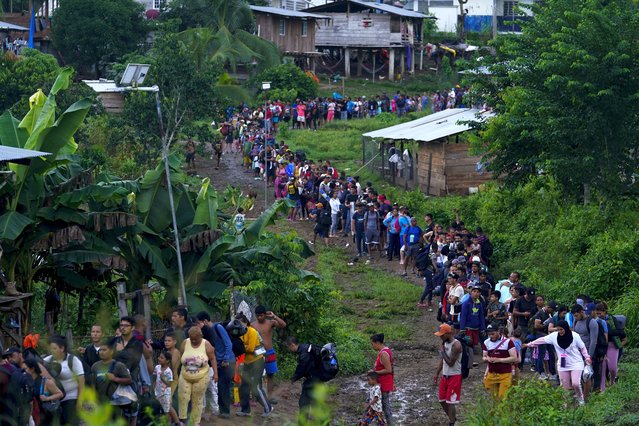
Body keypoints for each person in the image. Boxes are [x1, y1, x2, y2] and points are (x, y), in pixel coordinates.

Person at [524, 320, 592, 405]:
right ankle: (565, 403)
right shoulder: (554, 336)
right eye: (558, 329)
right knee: (564, 386)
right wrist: (529, 344)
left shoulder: (575, 336)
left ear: (566, 328)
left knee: (575, 383)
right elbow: (542, 340)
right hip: (563, 364)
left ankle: (581, 400)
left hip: (576, 363)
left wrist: (587, 357)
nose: (560, 332)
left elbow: (582, 347)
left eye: (561, 330)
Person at [92, 338, 138, 426]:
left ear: (111, 351)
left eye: (104, 350)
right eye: (100, 350)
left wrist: (115, 379)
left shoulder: (119, 366)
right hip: (101, 402)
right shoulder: (95, 366)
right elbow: (93, 384)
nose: (101, 352)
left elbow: (129, 380)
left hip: (116, 402)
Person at [235, 312, 273, 417]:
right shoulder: (239, 333)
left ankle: (268, 408)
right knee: (244, 386)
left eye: (240, 323)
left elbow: (250, 349)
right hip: (247, 362)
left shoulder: (252, 332)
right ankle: (245, 409)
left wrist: (240, 347)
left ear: (245, 322)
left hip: (257, 361)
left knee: (256, 387)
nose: (238, 325)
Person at [179, 327, 218, 425]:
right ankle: (182, 420)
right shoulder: (185, 343)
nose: (193, 340)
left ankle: (196, 421)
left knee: (197, 398)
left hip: (201, 376)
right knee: (183, 396)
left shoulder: (206, 344)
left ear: (201, 336)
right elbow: (180, 355)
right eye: (191, 338)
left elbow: (213, 359)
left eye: (195, 338)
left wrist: (216, 374)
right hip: (185, 374)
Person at [43, 335, 85, 426]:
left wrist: (80, 401)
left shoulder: (73, 360)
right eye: (50, 348)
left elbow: (81, 381)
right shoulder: (47, 360)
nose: (51, 351)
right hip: (54, 399)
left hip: (71, 397)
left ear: (62, 348)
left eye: (54, 348)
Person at [251, 305, 287, 402]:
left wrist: (274, 316)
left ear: (265, 315)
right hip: (258, 353)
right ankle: (256, 398)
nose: (259, 317)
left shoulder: (270, 323)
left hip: (269, 352)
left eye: (261, 315)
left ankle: (270, 396)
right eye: (258, 316)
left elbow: (283, 325)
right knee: (257, 375)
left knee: (270, 375)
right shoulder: (253, 325)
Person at [433, 324, 462, 426]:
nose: (441, 337)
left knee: (450, 401)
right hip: (445, 375)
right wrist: (437, 373)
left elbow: (450, 363)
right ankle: (452, 417)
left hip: (455, 375)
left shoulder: (456, 345)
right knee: (442, 400)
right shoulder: (444, 343)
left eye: (442, 335)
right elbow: (443, 360)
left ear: (449, 334)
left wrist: (442, 351)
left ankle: (452, 422)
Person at [286, 336, 321, 415]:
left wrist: (292, 379)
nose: (289, 350)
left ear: (292, 345)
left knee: (304, 404)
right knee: (315, 404)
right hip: (316, 378)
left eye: (289, 347)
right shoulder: (305, 348)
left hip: (312, 381)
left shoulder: (304, 353)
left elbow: (301, 369)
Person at [481, 324, 518, 399]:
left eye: (493, 334)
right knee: (494, 398)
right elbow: (484, 356)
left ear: (498, 332)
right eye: (489, 334)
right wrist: (487, 359)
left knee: (502, 398)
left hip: (505, 374)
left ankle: (504, 410)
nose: (491, 336)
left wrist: (499, 360)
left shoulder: (508, 342)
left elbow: (514, 358)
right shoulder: (486, 342)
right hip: (492, 374)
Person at [25, 357, 64, 426]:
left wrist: (47, 398)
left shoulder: (46, 382)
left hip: (48, 416)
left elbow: (60, 394)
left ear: (32, 369)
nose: (24, 371)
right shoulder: (28, 382)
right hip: (36, 416)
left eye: (26, 369)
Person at [2, 347, 34, 426]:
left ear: (20, 354)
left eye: (11, 355)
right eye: (7, 357)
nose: (9, 359)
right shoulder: (10, 370)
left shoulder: (28, 366)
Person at [370, 333, 394, 425]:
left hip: (384, 384)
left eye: (372, 344)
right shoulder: (385, 351)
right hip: (385, 383)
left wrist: (375, 372)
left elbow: (388, 369)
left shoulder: (383, 353)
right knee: (383, 406)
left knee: (385, 407)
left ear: (377, 343)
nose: (372, 346)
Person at [460, 285, 486, 366]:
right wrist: (462, 328)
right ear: (470, 292)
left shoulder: (479, 304)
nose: (476, 293)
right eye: (474, 291)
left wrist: (483, 328)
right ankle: (468, 362)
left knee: (473, 344)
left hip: (476, 328)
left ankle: (469, 361)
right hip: (467, 328)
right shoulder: (466, 303)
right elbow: (463, 316)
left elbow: (481, 316)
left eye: (478, 292)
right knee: (468, 343)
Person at [154, 350, 180, 425]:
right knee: (166, 409)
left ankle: (176, 422)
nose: (159, 358)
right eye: (159, 357)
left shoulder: (168, 372)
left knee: (167, 409)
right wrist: (154, 387)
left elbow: (169, 384)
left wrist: (162, 378)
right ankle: (174, 422)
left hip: (165, 393)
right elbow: (156, 378)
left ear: (167, 361)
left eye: (161, 358)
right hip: (158, 392)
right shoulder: (157, 367)